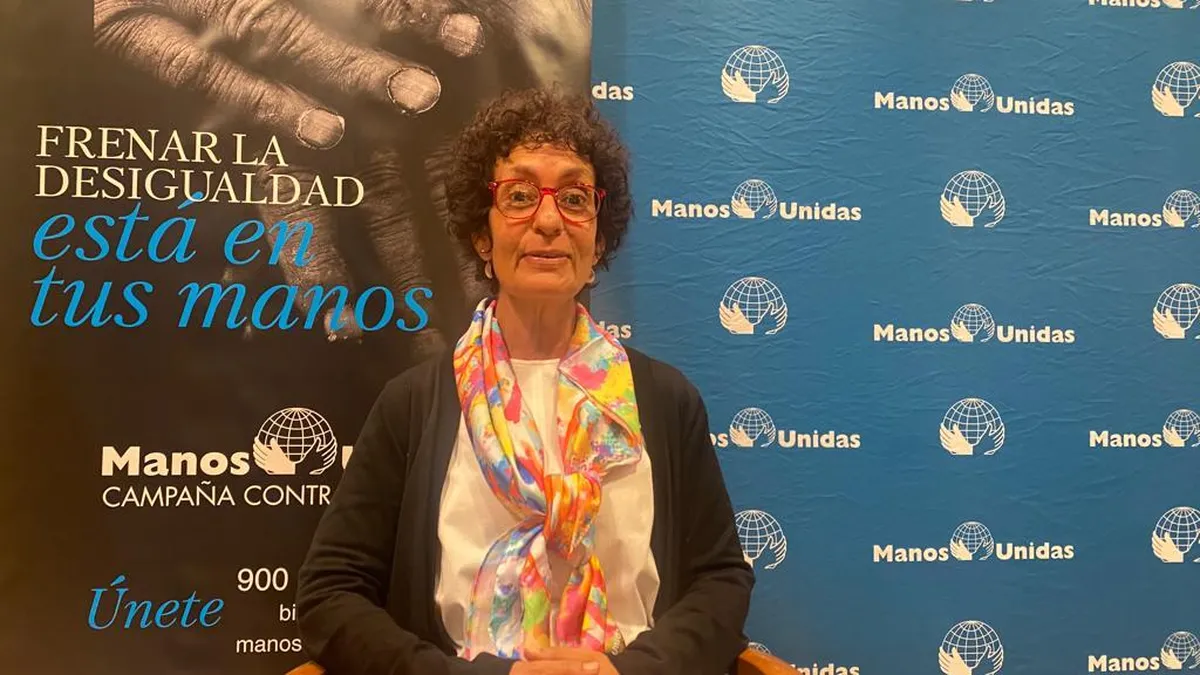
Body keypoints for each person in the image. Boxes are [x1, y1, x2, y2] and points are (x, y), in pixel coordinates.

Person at [294, 87, 755, 675]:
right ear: (481, 236)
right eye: (518, 196)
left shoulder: (664, 401)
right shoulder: (412, 404)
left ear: (599, 240)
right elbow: (331, 595)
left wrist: (628, 671)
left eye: (574, 198)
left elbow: (720, 580)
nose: (548, 220)